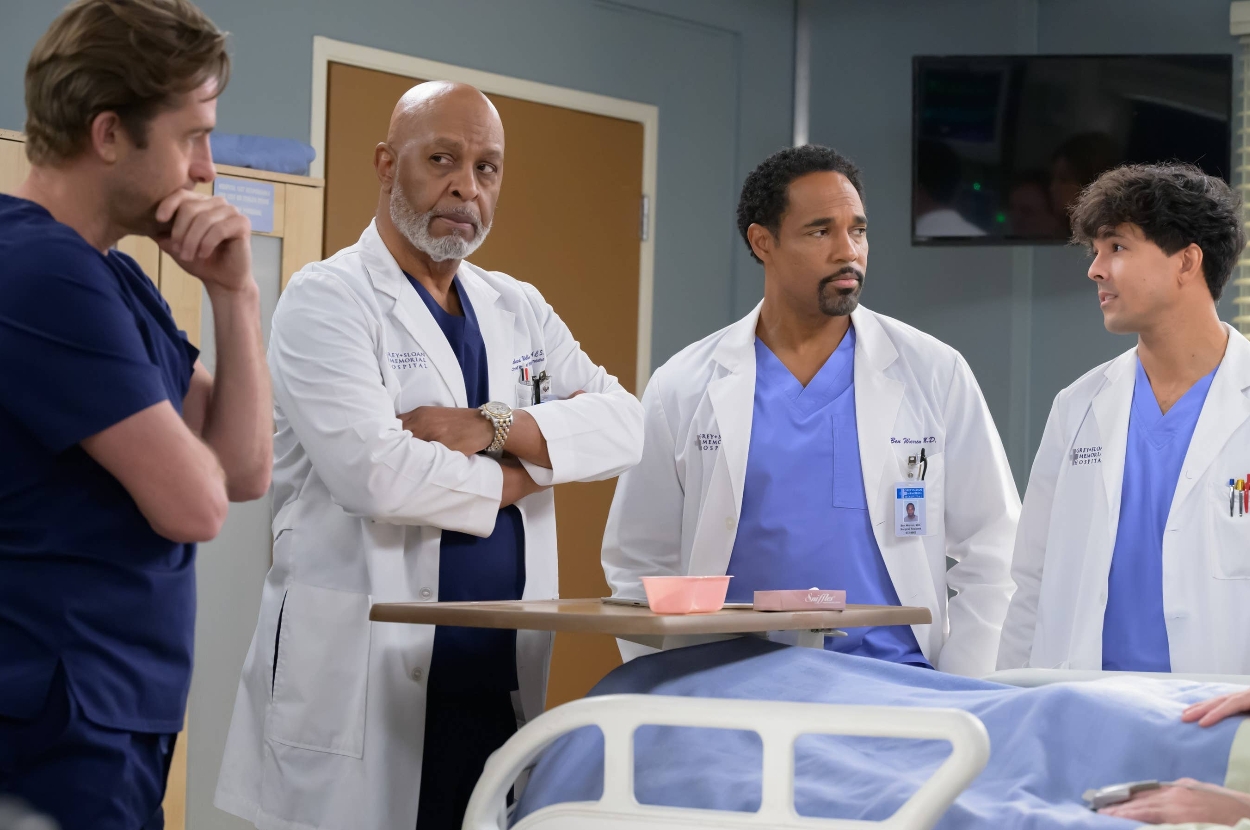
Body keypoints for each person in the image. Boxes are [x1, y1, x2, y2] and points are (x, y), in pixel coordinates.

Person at [214, 81, 644, 830]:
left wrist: (492, 425)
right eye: (441, 159)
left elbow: (627, 425)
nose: (464, 187)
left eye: (487, 168)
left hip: (493, 680)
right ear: (386, 165)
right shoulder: (328, 300)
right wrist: (529, 473)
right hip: (361, 683)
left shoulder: (519, 307)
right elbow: (378, 475)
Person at [0, 2, 272, 828]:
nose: (206, 171)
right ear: (109, 133)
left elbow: (247, 467)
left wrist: (237, 293)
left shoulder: (111, 276)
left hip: (114, 709)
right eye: (192, 137)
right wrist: (200, 466)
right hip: (57, 717)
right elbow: (196, 503)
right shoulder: (41, 270)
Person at [602, 145, 1020, 676]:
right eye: (820, 231)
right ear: (763, 242)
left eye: (859, 230)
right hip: (729, 682)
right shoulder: (682, 386)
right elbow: (638, 559)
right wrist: (674, 681)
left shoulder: (933, 372)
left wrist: (962, 683)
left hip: (898, 681)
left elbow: (995, 548)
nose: (848, 251)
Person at [998, 162, 1250, 674]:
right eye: (1095, 251)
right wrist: (1008, 703)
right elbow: (1032, 582)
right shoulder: (1079, 406)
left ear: (1187, 262)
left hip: (1221, 722)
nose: (1095, 269)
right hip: (1087, 713)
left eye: (1116, 247)